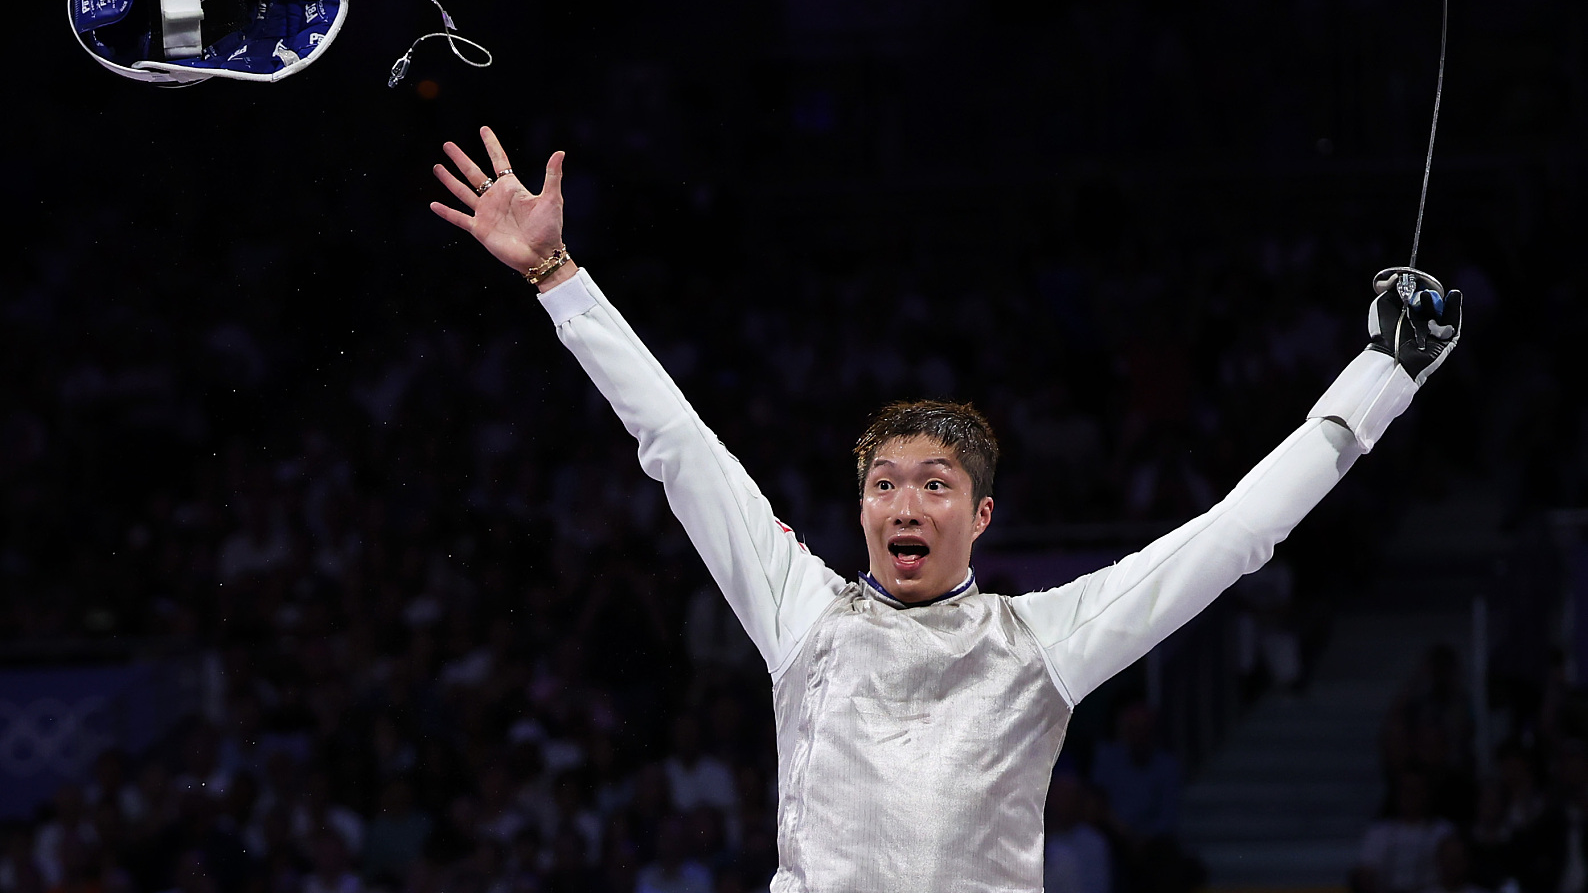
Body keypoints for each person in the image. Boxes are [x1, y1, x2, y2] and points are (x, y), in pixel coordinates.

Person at [428, 126, 1464, 893]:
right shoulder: (805, 613)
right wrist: (558, 277)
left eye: (933, 484)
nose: (903, 502)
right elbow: (679, 446)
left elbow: (1236, 534)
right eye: (884, 483)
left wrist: (1382, 376)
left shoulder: (1041, 639)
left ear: (981, 515)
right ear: (862, 506)